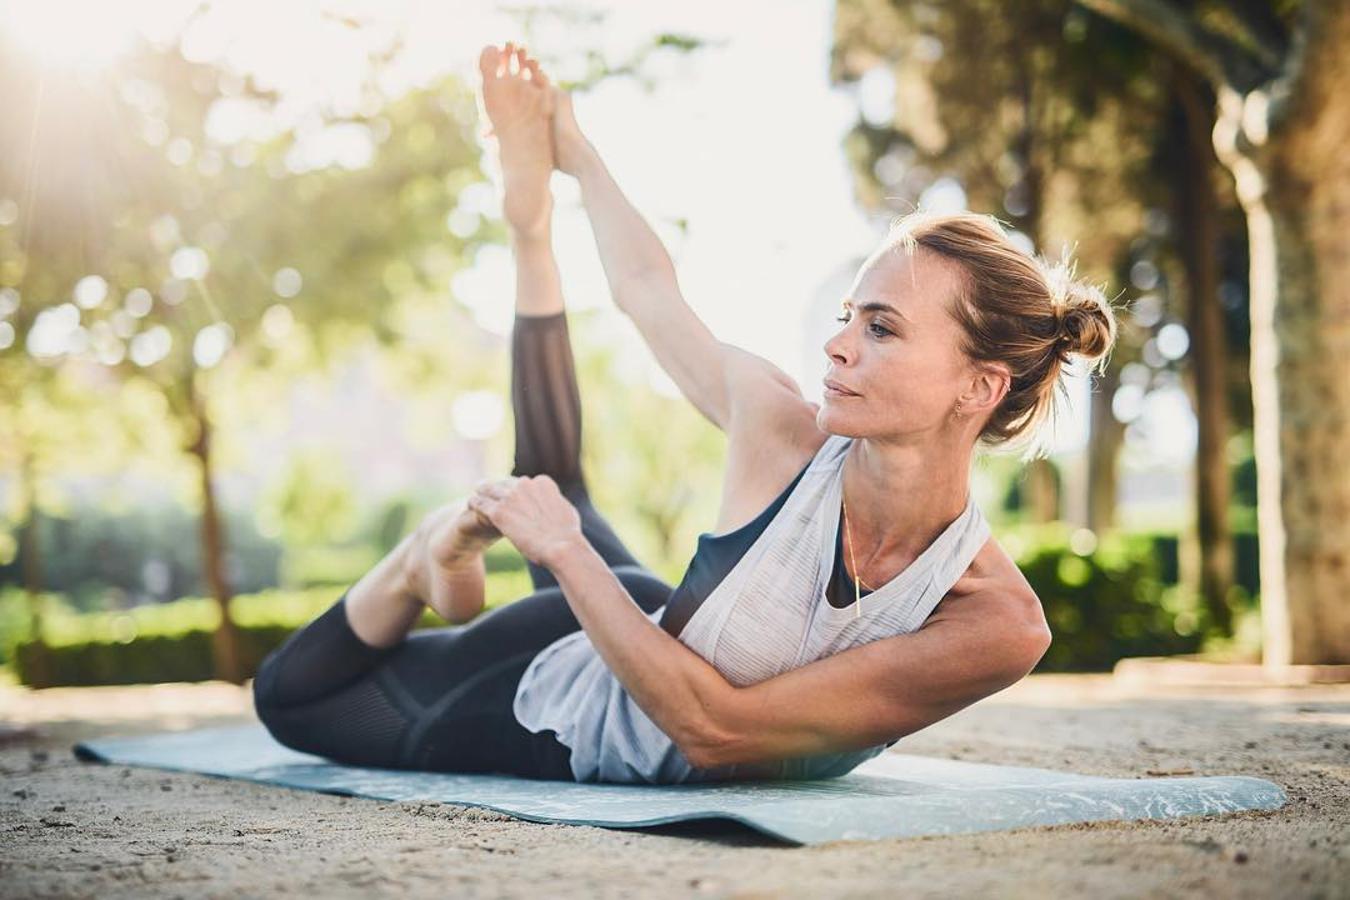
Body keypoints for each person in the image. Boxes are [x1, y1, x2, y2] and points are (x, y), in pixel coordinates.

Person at [253, 42, 1118, 784]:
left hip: (636, 635)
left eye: (882, 328)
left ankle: (436, 552)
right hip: (581, 693)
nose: (838, 346)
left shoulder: (994, 623)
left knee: (549, 504)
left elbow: (717, 731)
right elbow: (646, 294)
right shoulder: (783, 429)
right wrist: (576, 153)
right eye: (846, 317)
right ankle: (425, 541)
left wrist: (558, 547)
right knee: (291, 699)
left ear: (979, 386)